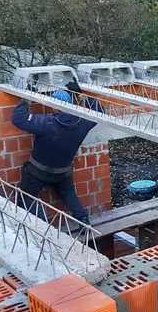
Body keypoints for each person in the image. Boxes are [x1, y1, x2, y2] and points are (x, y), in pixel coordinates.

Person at [11, 78, 104, 225]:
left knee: (26, 197)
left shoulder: (46, 123)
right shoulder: (83, 122)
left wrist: (27, 99)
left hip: (37, 172)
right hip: (63, 172)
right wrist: (81, 95)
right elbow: (99, 111)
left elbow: (18, 118)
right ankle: (83, 219)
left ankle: (44, 225)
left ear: (54, 108)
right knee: (68, 193)